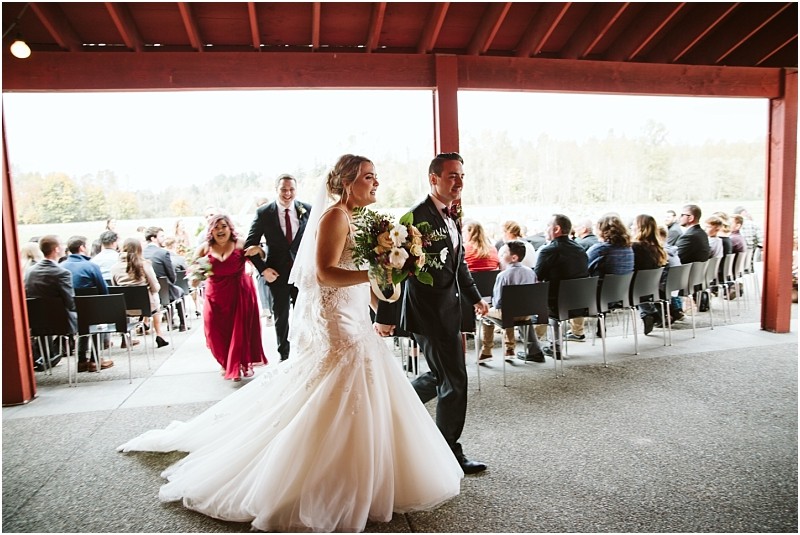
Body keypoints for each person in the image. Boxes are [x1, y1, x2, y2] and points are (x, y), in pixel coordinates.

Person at [117, 154, 463, 532]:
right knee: (341, 382)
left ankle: (374, 476)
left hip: (356, 315)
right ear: (347, 182)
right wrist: (376, 272)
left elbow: (361, 277)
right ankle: (323, 479)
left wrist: (384, 291)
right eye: (368, 177)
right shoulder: (334, 216)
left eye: (375, 177)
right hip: (336, 319)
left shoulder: (362, 220)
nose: (376, 183)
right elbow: (326, 272)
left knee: (367, 383)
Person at [375, 152, 489, 475]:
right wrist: (386, 317)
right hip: (428, 314)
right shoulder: (415, 219)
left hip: (451, 309)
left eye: (462, 176)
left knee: (442, 377)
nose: (459, 182)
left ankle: (400, 401)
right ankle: (450, 452)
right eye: (452, 176)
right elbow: (393, 268)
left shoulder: (452, 215)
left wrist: (476, 298)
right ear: (434, 178)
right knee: (455, 380)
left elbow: (459, 265)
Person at [244, 174, 312, 361]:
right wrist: (263, 269)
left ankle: (306, 353)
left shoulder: (307, 209)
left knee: (305, 314)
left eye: (291, 189)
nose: (288, 193)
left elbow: (315, 240)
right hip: (277, 273)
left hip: (302, 273)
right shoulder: (264, 213)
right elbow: (250, 245)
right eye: (284, 189)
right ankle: (284, 356)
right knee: (281, 317)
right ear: (277, 190)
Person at [194, 214, 267, 381]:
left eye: (224, 226)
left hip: (239, 293)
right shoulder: (204, 249)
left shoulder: (240, 244)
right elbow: (195, 275)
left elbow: (260, 257)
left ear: (230, 228)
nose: (220, 230)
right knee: (214, 332)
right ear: (211, 230)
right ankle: (225, 362)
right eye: (216, 227)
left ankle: (235, 365)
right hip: (215, 296)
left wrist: (260, 250)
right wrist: (196, 276)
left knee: (239, 330)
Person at [534, 214, 590, 359]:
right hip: (580, 303)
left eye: (547, 226)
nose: (545, 230)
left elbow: (537, 277)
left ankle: (533, 347)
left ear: (557, 229)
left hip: (555, 305)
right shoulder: (580, 249)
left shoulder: (548, 250)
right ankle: (553, 345)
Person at [478, 240, 537, 363]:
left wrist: (491, 305)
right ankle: (509, 349)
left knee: (486, 313)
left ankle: (487, 351)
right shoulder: (531, 272)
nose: (500, 255)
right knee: (509, 309)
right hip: (526, 314)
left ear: (514, 257)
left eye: (503, 253)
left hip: (508, 314)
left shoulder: (503, 275)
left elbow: (498, 301)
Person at [111, 238, 169, 349]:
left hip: (124, 308)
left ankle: (126, 338)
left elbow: (115, 288)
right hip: (146, 307)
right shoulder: (144, 264)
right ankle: (159, 334)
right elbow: (155, 287)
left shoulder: (114, 267)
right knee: (154, 297)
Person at [24, 236, 69, 372]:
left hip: (36, 321)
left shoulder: (30, 272)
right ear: (56, 249)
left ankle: (47, 355)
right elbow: (70, 301)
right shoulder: (62, 272)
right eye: (61, 244)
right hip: (60, 322)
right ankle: (85, 357)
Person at [143, 226, 187, 332]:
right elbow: (171, 275)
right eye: (161, 236)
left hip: (146, 293)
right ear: (153, 238)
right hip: (164, 290)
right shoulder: (163, 253)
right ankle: (182, 324)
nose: (164, 238)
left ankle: (171, 322)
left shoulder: (142, 253)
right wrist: (172, 281)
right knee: (179, 291)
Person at [630, 215, 668, 335]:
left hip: (636, 287)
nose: (631, 227)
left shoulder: (635, 246)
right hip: (651, 287)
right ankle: (649, 312)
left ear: (640, 228)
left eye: (634, 224)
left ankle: (648, 313)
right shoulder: (657, 247)